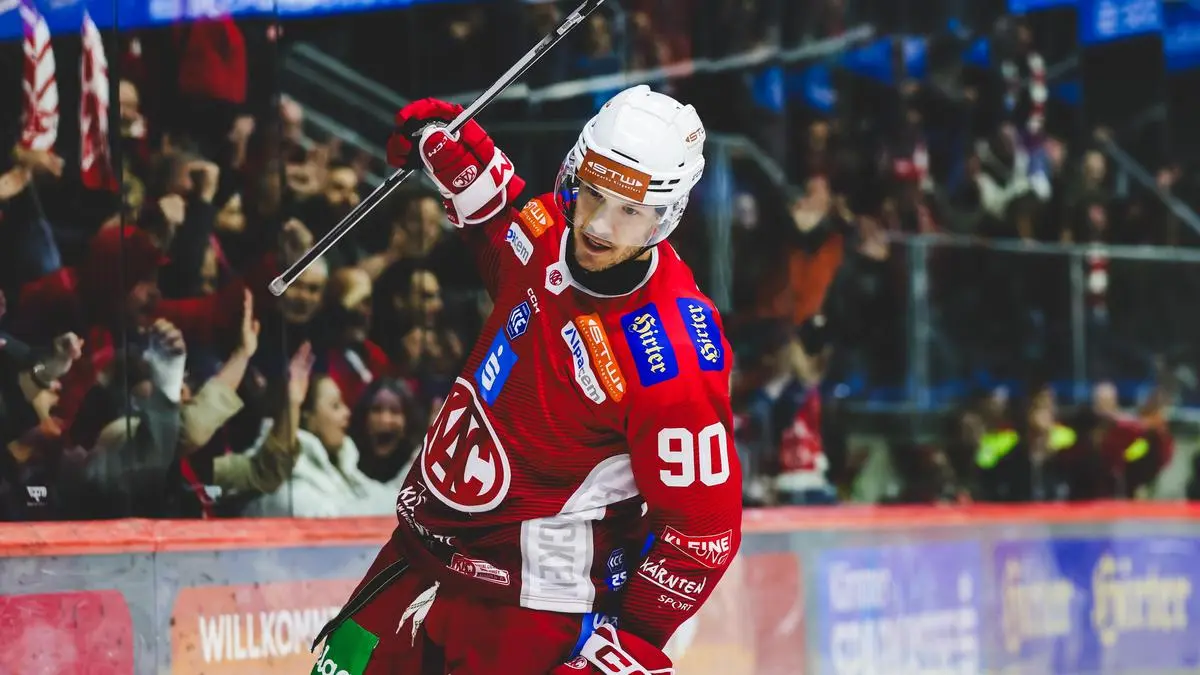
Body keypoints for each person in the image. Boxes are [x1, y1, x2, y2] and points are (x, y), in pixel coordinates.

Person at [312, 85, 742, 674]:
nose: (597, 224)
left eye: (629, 211)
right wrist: (463, 163)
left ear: (665, 216)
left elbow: (702, 533)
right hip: (417, 555)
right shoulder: (550, 230)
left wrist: (630, 644)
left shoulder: (673, 355)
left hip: (532, 611)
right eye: (593, 193)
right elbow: (506, 249)